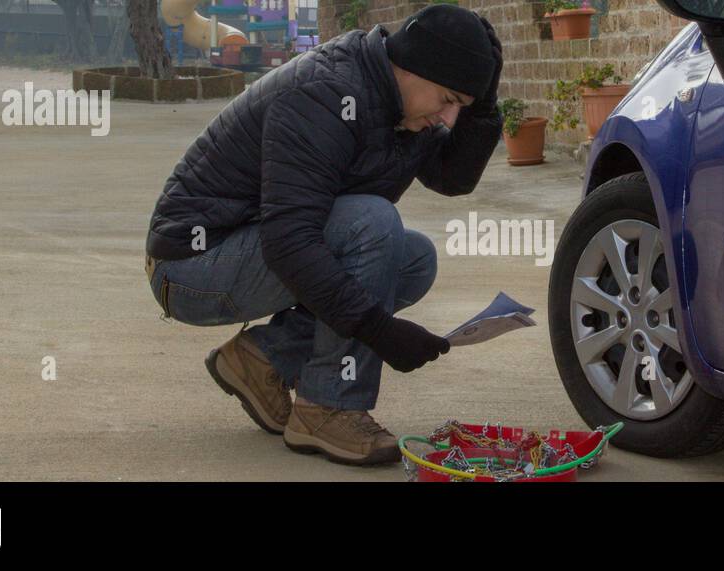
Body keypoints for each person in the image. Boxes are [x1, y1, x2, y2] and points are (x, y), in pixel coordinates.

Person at [143, 4, 503, 466]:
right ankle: (329, 406)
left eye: (462, 106)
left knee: (413, 259)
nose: (448, 119)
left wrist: (484, 108)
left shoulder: (400, 102)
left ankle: (262, 359)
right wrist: (378, 329)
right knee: (373, 225)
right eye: (448, 99)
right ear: (412, 67)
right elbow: (289, 241)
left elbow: (452, 178)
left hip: (249, 251)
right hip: (192, 266)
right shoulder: (328, 93)